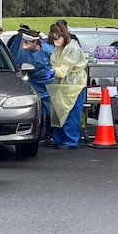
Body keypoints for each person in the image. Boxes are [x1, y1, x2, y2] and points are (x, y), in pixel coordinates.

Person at [44, 20, 88, 149]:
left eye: (57, 39)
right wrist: (54, 71)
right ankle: (59, 139)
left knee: (71, 112)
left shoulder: (72, 48)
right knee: (58, 111)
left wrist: (54, 72)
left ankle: (70, 140)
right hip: (61, 83)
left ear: (63, 35)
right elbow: (56, 63)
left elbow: (65, 67)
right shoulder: (59, 48)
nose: (55, 43)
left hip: (74, 83)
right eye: (53, 40)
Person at [19, 29, 55, 143]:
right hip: (33, 83)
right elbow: (19, 64)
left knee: (50, 111)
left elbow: (58, 62)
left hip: (49, 83)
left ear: (35, 42)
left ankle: (50, 134)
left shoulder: (47, 50)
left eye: (28, 42)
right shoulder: (23, 52)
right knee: (36, 110)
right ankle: (37, 134)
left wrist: (53, 72)